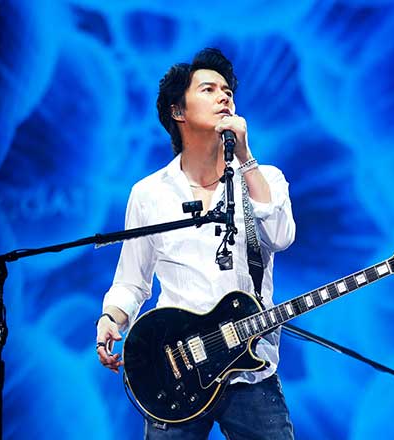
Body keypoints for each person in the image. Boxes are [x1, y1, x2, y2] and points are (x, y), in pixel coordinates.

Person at [96, 47, 296, 440]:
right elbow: (132, 281)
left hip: (250, 370)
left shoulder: (265, 179)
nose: (224, 97)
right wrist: (110, 319)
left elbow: (280, 237)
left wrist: (246, 158)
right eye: (209, 89)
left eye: (228, 91)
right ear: (178, 111)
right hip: (175, 370)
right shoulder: (149, 194)